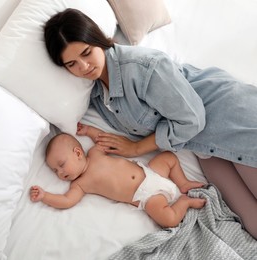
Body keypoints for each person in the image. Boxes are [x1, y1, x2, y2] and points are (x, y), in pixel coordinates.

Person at [43, 8, 257, 238]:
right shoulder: (96, 94)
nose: (83, 67)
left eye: (86, 53)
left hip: (228, 115)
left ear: (97, 40)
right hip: (202, 144)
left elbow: (192, 119)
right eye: (72, 64)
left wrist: (136, 148)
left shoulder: (143, 67)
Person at [30, 123, 206, 228]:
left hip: (150, 172)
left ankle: (182, 183)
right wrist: (45, 196)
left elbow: (103, 139)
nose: (60, 173)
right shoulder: (80, 185)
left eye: (61, 165)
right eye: (55, 171)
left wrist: (88, 130)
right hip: (147, 196)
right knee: (169, 220)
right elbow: (67, 201)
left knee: (169, 157)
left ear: (77, 153)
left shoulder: (95, 153)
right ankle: (185, 202)